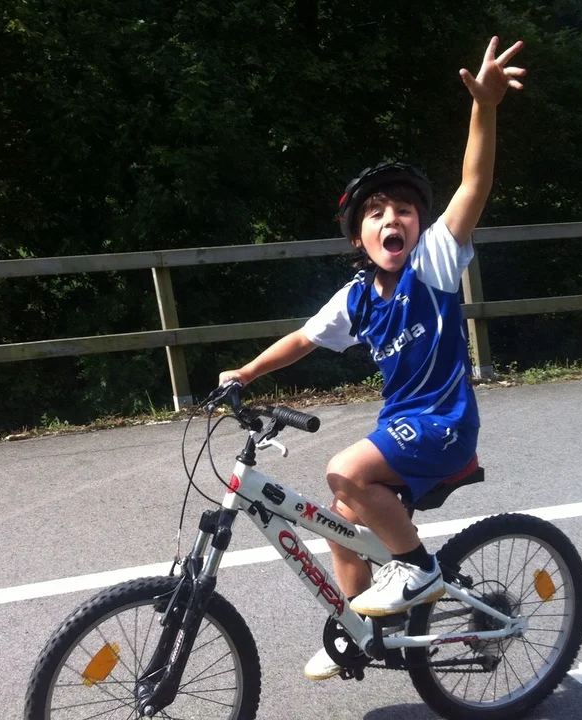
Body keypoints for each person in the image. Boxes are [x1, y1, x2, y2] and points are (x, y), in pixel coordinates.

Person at [218, 36, 525, 680]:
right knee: (339, 522)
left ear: (419, 225)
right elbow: (303, 339)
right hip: (401, 426)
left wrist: (485, 108)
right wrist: (245, 373)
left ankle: (419, 568)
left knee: (343, 470)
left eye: (404, 211)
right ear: (359, 237)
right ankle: (360, 631)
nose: (393, 219)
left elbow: (474, 183)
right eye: (377, 214)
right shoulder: (357, 297)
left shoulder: (432, 265)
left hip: (443, 423)